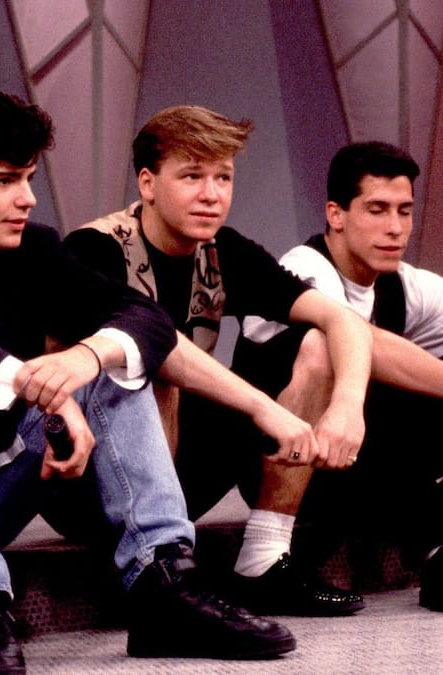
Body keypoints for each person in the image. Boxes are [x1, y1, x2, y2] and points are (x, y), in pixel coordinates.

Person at [0, 80, 296, 670]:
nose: (27, 199)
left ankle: (162, 581)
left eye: (28, 178)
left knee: (110, 363)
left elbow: (145, 319)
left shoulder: (30, 249)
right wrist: (34, 384)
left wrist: (83, 361)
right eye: (5, 181)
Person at [65, 105, 375, 616]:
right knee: (150, 361)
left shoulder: (223, 250)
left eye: (223, 177)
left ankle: (264, 557)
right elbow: (156, 343)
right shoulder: (93, 248)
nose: (211, 194)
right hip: (86, 474)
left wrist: (347, 406)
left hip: (183, 462)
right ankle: (158, 563)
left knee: (319, 344)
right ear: (148, 183)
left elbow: (343, 321)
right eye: (192, 176)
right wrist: (263, 408)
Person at [234, 141, 443, 612]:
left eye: (405, 211)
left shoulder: (405, 285)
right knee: (332, 345)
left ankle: (437, 553)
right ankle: (266, 557)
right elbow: (357, 337)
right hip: (275, 464)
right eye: (377, 210)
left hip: (355, 460)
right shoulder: (303, 268)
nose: (395, 227)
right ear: (336, 214)